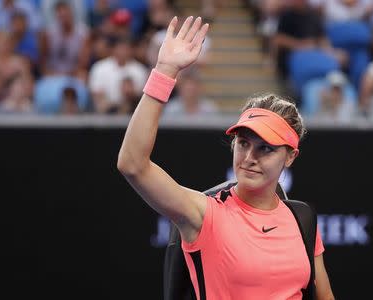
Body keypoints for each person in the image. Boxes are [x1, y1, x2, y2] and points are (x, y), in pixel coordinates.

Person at [117, 16, 334, 300]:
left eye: (266, 148)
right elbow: (132, 164)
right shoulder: (204, 214)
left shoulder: (301, 217)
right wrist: (165, 71)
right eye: (243, 143)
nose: (249, 157)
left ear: (290, 157)